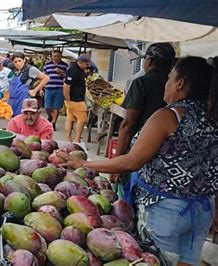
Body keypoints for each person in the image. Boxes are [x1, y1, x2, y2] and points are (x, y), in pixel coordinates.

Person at [62, 56, 218, 266]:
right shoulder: (212, 117)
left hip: (166, 210)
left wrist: (83, 164)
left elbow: (132, 162)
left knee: (155, 261)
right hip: (203, 209)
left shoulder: (168, 116)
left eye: (170, 78)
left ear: (180, 83)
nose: (166, 84)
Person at [113, 43, 176, 183]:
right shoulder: (176, 85)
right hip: (168, 154)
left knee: (129, 195)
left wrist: (117, 164)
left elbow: (128, 124)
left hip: (139, 150)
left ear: (149, 61)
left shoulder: (141, 83)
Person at [8, 52, 49, 117]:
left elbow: (46, 78)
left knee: (22, 120)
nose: (17, 63)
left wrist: (35, 91)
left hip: (24, 100)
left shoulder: (30, 69)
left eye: (19, 61)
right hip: (13, 101)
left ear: (24, 60)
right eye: (15, 62)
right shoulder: (14, 70)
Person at [63, 53, 90, 142]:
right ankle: (77, 139)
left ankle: (68, 139)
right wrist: (68, 99)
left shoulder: (79, 69)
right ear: (80, 62)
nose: (87, 66)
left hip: (73, 100)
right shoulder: (73, 70)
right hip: (75, 100)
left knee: (70, 119)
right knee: (82, 118)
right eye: (86, 64)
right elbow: (66, 86)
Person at [43, 50, 68, 131]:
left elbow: (67, 78)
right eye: (55, 56)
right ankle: (50, 116)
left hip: (59, 89)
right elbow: (43, 77)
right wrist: (41, 88)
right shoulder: (47, 65)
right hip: (48, 88)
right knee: (47, 107)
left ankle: (53, 123)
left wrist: (61, 73)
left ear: (61, 57)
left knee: (56, 107)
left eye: (58, 56)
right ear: (52, 56)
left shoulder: (65, 65)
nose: (57, 58)